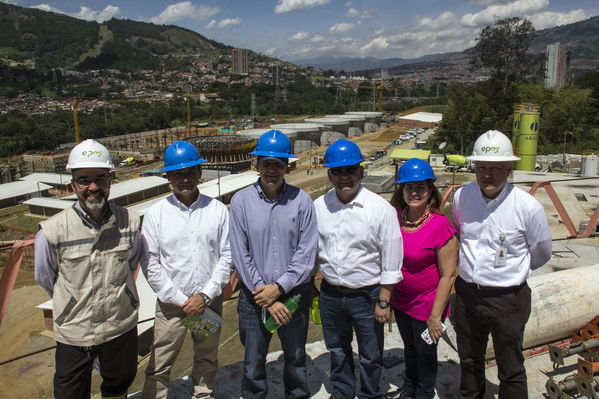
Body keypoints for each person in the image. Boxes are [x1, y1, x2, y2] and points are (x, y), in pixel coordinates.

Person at [34, 139, 142, 399]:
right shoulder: (53, 231)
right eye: (84, 180)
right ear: (73, 184)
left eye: (100, 179)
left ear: (110, 181)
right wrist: (73, 303)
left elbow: (132, 263)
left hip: (120, 324)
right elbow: (45, 277)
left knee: (119, 384)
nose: (93, 187)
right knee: (70, 392)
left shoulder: (130, 222)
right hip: (75, 331)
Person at [452, 130, 552, 398]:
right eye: (482, 167)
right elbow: (460, 235)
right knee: (470, 361)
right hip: (467, 295)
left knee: (511, 368)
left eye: (495, 168)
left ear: (509, 167)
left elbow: (541, 252)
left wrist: (512, 272)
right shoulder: (462, 197)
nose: (487, 174)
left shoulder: (528, 207)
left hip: (508, 299)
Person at [229, 130, 318, 399]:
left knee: (296, 357)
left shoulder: (302, 201)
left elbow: (307, 253)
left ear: (286, 167)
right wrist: (265, 294)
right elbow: (240, 255)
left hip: (293, 297)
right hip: (254, 299)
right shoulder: (241, 202)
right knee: (254, 362)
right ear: (257, 165)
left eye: (277, 164)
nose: (271, 170)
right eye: (266, 163)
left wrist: (279, 289)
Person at [141, 141, 233, 399]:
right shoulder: (156, 214)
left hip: (208, 303)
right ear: (168, 176)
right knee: (160, 364)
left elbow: (227, 257)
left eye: (191, 172)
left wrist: (203, 298)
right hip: (172, 307)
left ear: (200, 173)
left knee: (206, 358)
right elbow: (150, 263)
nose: (185, 179)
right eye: (178, 174)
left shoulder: (216, 210)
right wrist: (184, 300)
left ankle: (203, 394)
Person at [314, 139, 403, 399]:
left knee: (370, 353)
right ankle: (342, 392)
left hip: (368, 296)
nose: (344, 177)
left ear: (361, 172)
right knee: (338, 349)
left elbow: (392, 258)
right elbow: (311, 251)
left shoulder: (380, 210)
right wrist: (311, 286)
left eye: (350, 170)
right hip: (331, 294)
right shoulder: (319, 207)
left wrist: (384, 301)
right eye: (337, 171)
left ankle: (369, 393)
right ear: (329, 174)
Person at [385, 158, 458, 399]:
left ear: (430, 190)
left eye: (420, 188)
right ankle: (409, 387)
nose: (414, 193)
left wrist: (436, 316)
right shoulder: (395, 217)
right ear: (401, 191)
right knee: (410, 348)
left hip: (427, 303)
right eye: (408, 188)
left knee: (425, 353)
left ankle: (424, 393)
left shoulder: (439, 224)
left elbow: (448, 275)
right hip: (402, 301)